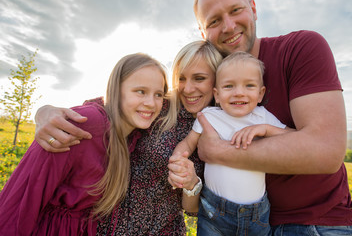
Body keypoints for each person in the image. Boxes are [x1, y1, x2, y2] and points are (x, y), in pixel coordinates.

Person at [193, 0, 352, 235]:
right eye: (214, 21)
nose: (228, 26)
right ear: (202, 32)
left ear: (253, 8)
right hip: (244, 224)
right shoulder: (212, 84)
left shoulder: (300, 48)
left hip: (316, 224)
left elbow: (327, 150)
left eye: (236, 10)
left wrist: (218, 151)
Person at [33, 40, 223, 235]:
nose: (188, 89)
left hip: (165, 230)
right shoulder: (158, 104)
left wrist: (191, 183)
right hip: (111, 225)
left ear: (216, 81)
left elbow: (192, 209)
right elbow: (103, 107)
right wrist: (44, 111)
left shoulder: (223, 129)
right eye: (181, 78)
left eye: (199, 78)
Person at [0, 53, 170, 235]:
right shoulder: (86, 123)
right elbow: (23, 195)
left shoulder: (132, 136)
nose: (151, 103)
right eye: (140, 91)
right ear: (116, 90)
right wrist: (43, 111)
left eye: (158, 94)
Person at [169, 51, 293, 236]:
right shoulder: (209, 116)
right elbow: (188, 143)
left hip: (256, 214)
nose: (238, 92)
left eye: (249, 85)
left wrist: (266, 129)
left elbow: (292, 137)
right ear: (216, 95)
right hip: (213, 212)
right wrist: (178, 160)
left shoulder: (263, 117)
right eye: (229, 86)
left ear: (260, 94)